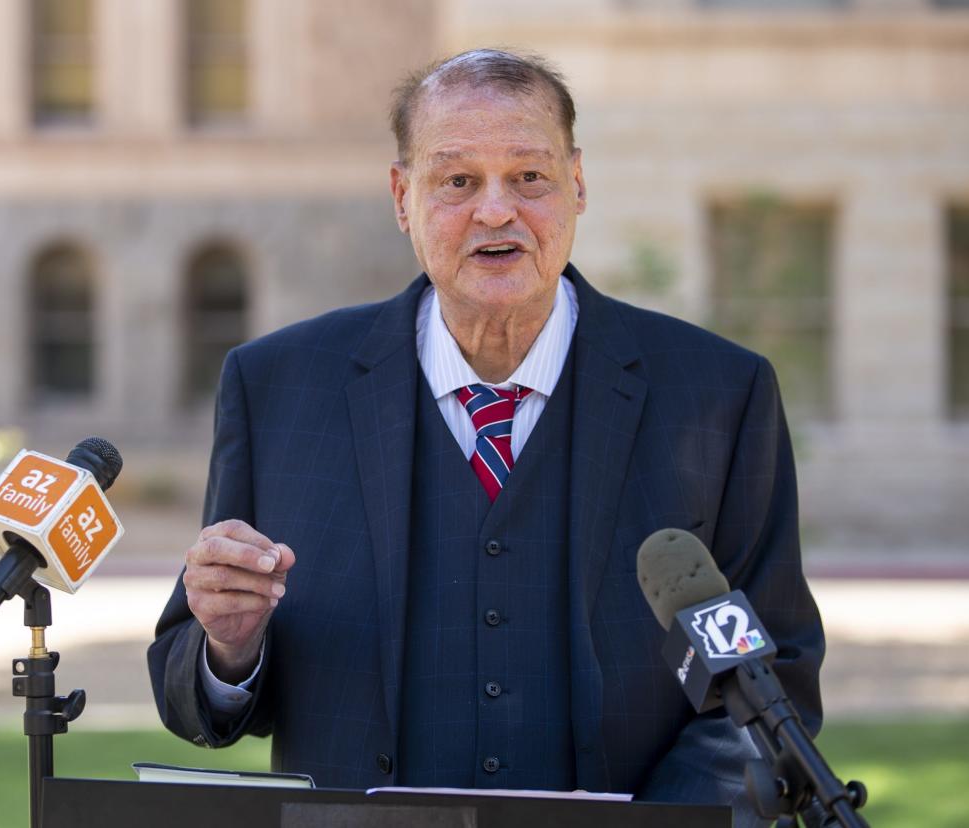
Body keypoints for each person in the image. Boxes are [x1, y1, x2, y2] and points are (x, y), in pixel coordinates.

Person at [148, 49, 824, 825]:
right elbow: (191, 690)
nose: (496, 210)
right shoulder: (275, 388)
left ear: (577, 184)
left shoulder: (719, 393)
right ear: (403, 198)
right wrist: (231, 649)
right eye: (458, 180)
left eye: (529, 177)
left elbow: (774, 684)